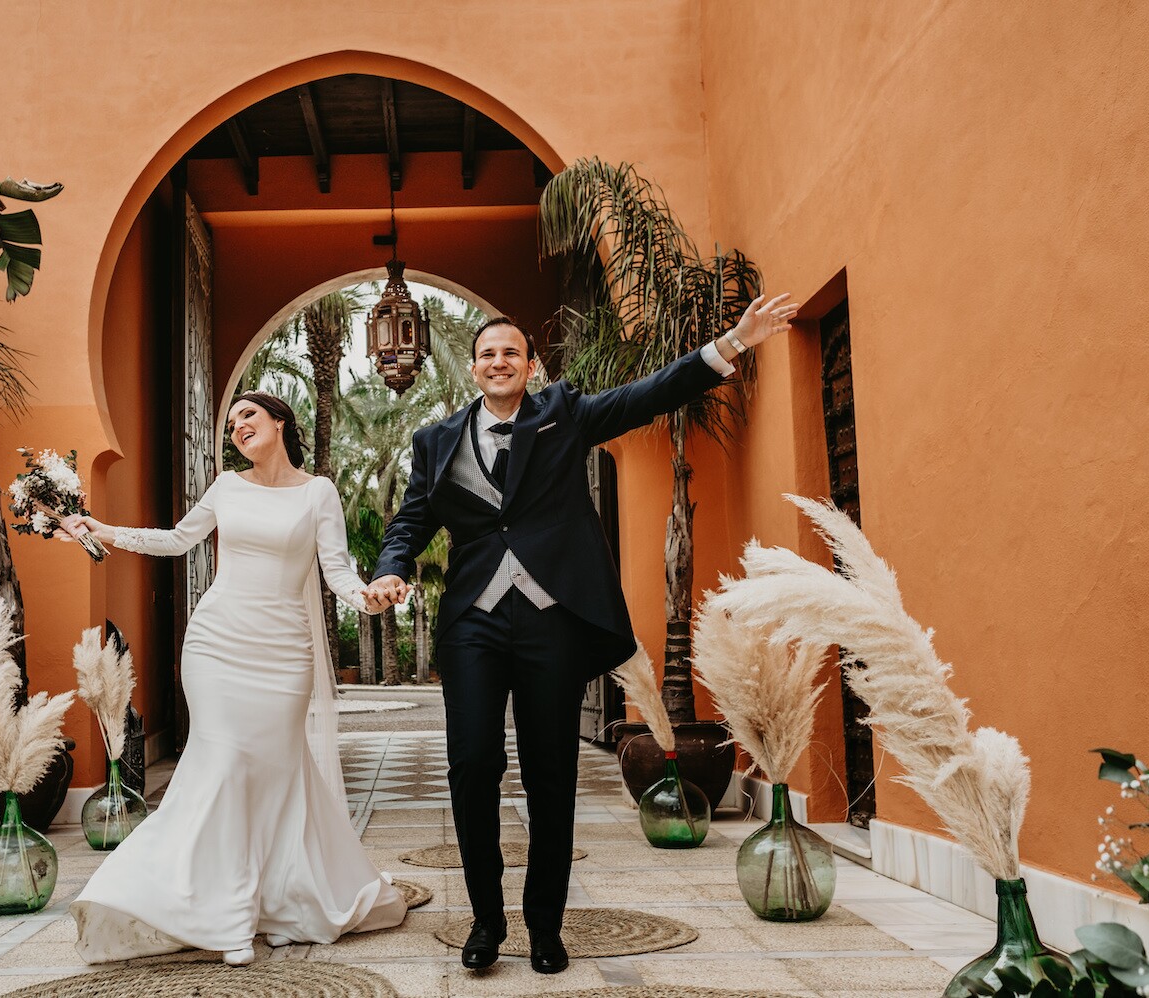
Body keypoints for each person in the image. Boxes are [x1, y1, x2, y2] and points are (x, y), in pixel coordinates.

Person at [362, 295, 799, 974]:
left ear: (530, 365)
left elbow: (649, 394)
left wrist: (732, 344)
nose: (499, 361)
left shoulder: (563, 414)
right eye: (487, 354)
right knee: (473, 766)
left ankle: (544, 927)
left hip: (551, 623)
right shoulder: (436, 441)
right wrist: (390, 571)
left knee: (550, 774)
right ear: (473, 371)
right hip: (473, 623)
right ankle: (484, 920)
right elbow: (409, 524)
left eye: (511, 352)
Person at [59, 391, 406, 967]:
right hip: (218, 644)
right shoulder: (226, 486)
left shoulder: (319, 492)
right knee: (220, 768)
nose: (240, 426)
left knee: (271, 777)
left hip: (284, 653)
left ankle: (277, 899)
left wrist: (371, 599)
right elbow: (175, 540)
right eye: (233, 421)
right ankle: (227, 918)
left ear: (280, 423)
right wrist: (104, 529)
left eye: (251, 415)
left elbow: (338, 571)